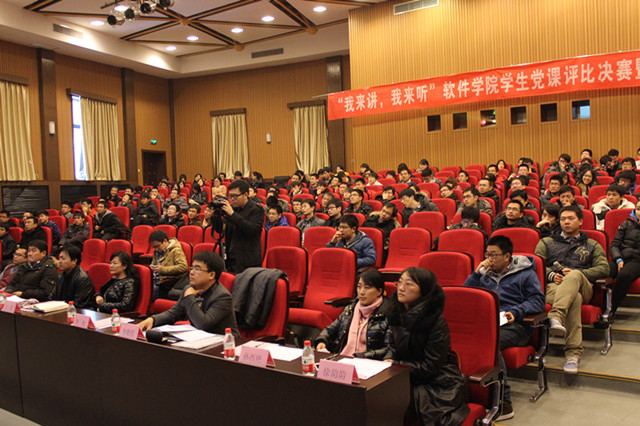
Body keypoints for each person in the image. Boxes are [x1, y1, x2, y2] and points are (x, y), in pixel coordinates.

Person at [464, 236, 545, 420]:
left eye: (494, 255)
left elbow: (538, 301)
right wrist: (476, 275)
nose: (489, 259)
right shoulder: (485, 274)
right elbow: (466, 295)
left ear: (507, 256)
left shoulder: (525, 273)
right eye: (487, 254)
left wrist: (516, 312)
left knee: (491, 343)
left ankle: (503, 403)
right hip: (488, 323)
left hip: (517, 325)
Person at [384, 267, 469, 425]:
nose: (401, 288)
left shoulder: (435, 321)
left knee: (389, 404)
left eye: (409, 284)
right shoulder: (396, 314)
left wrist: (396, 366)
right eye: (399, 282)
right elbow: (392, 347)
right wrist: (389, 360)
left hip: (435, 382)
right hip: (403, 374)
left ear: (424, 291)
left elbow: (431, 367)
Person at [535, 206, 609, 374]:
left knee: (574, 275)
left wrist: (578, 274)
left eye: (570, 218)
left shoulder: (592, 244)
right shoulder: (546, 242)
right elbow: (537, 265)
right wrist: (552, 275)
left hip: (584, 287)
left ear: (581, 221)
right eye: (563, 219)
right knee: (574, 298)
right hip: (555, 286)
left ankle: (556, 315)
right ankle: (573, 354)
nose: (566, 222)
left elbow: (604, 268)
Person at [138, 251, 239, 335]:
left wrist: (190, 297)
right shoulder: (189, 289)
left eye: (197, 269)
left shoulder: (222, 296)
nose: (191, 272)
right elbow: (174, 313)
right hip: (199, 339)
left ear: (211, 275)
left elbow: (203, 324)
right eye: (192, 268)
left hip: (225, 344)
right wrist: (153, 320)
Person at [315, 269, 390, 359]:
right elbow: (330, 330)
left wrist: (361, 356)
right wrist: (322, 341)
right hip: (343, 358)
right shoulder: (351, 309)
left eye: (367, 287)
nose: (361, 292)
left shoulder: (388, 313)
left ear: (379, 291)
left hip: (369, 362)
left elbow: (389, 349)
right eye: (359, 287)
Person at [212, 179, 265, 273]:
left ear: (246, 195)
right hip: (231, 259)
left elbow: (251, 229)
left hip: (248, 261)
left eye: (235, 196)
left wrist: (232, 215)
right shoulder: (232, 209)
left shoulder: (256, 209)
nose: (232, 199)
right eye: (230, 196)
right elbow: (221, 230)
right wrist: (216, 217)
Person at [604, 200, 640, 325]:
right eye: (638, 209)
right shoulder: (626, 224)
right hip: (620, 257)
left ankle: (611, 309)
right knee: (604, 271)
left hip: (637, 261)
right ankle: (601, 307)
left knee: (624, 275)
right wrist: (618, 258)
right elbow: (614, 245)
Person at [149, 230, 188, 300]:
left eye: (158, 246)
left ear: (165, 241)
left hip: (167, 281)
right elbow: (153, 264)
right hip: (155, 279)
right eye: (154, 247)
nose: (156, 249)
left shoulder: (176, 250)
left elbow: (183, 267)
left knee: (151, 289)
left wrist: (163, 270)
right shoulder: (157, 252)